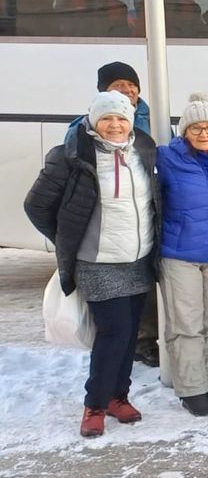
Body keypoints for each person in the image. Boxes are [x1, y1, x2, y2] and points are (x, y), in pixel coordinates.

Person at [25, 91, 158, 437]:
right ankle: (95, 404)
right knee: (113, 333)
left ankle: (119, 396)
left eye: (121, 118)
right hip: (98, 263)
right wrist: (68, 240)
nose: (115, 125)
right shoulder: (70, 156)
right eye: (107, 118)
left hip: (138, 259)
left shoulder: (142, 150)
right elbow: (36, 205)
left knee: (130, 334)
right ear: (93, 120)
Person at [67, 62, 157, 367]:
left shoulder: (155, 117)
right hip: (101, 254)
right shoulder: (79, 132)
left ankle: (141, 351)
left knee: (136, 314)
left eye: (132, 85)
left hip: (140, 241)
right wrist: (69, 233)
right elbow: (46, 201)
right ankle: (99, 399)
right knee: (113, 329)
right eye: (119, 84)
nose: (128, 90)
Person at [156, 95, 208, 416]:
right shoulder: (166, 158)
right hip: (179, 254)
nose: (204, 134)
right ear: (184, 132)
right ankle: (191, 389)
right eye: (196, 128)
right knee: (186, 324)